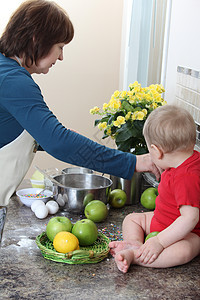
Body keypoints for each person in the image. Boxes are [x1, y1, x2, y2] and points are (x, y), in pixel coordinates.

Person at [0, 0, 160, 207]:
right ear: (36, 39)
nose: (61, 57)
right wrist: (135, 162)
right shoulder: (14, 80)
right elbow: (59, 143)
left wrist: (43, 137)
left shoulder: (6, 72)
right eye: (60, 47)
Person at [109, 105, 200, 273]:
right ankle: (135, 245)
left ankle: (137, 256)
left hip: (188, 232)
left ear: (157, 152)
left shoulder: (187, 176)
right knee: (132, 219)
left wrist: (159, 241)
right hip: (162, 220)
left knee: (184, 251)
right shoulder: (183, 160)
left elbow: (190, 219)